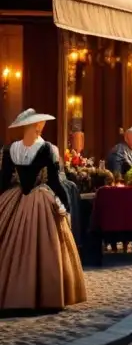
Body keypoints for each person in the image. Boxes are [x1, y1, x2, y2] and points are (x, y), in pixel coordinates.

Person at [0, 109, 87, 310]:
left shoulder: (9, 149)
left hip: (14, 197)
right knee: (46, 245)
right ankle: (44, 294)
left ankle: (11, 292)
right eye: (40, 124)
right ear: (36, 126)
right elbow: (55, 181)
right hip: (40, 198)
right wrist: (64, 204)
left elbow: (3, 182)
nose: (42, 127)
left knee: (9, 245)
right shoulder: (48, 149)